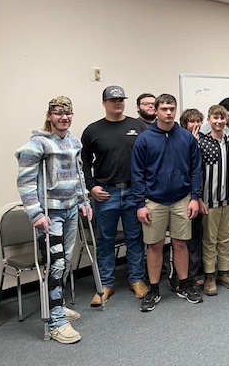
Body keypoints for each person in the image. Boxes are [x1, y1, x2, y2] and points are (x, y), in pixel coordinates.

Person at [15, 96, 92, 344]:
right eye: (58, 113)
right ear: (49, 116)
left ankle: (55, 303)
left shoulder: (74, 141)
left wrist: (85, 202)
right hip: (50, 214)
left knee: (65, 261)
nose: (64, 117)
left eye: (68, 113)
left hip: (71, 209)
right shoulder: (37, 144)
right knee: (55, 263)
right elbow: (25, 181)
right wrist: (35, 214)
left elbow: (79, 175)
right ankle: (57, 320)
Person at [132, 94, 203, 311]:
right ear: (156, 110)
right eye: (164, 109)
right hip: (154, 200)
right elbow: (137, 173)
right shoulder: (144, 139)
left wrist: (194, 197)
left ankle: (184, 284)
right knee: (155, 246)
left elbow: (195, 169)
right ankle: (153, 290)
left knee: (181, 243)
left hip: (182, 199)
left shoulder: (186, 137)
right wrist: (140, 204)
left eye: (172, 108)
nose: (169, 112)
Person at [81, 86, 148, 306]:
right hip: (105, 194)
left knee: (135, 239)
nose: (117, 103)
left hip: (133, 192)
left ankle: (136, 279)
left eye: (120, 100)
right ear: (104, 103)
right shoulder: (93, 131)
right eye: (113, 100)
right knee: (105, 241)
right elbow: (84, 163)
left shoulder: (138, 126)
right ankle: (105, 284)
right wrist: (91, 186)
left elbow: (149, 157)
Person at [199, 105, 229, 296]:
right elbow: (196, 172)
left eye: (222, 118)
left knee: (226, 238)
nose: (219, 121)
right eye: (215, 118)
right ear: (209, 120)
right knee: (210, 240)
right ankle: (209, 275)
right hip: (209, 200)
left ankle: (224, 273)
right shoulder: (201, 142)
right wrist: (198, 198)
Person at [179, 108, 206, 286]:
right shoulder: (179, 139)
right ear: (184, 124)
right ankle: (183, 274)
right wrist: (192, 144)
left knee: (197, 235)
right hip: (182, 195)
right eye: (191, 121)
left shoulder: (205, 139)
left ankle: (196, 272)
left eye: (198, 121)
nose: (195, 125)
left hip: (199, 194)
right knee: (183, 238)